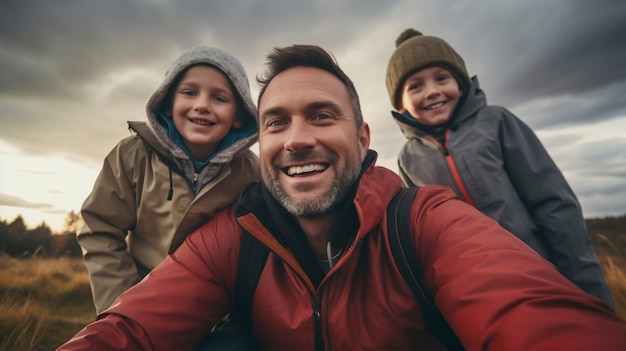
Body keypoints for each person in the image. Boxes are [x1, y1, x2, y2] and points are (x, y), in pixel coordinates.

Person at [58, 44, 626, 351]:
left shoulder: (424, 219)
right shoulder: (233, 237)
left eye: (322, 116)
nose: (298, 137)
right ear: (262, 143)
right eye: (277, 122)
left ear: (363, 137)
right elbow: (127, 331)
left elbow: (530, 314)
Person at [385, 28, 614, 307]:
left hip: (543, 276)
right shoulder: (408, 158)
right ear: (401, 103)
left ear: (460, 82)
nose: (432, 92)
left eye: (441, 78)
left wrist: (589, 290)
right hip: (476, 293)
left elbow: (554, 204)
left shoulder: (497, 123)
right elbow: (422, 234)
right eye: (416, 86)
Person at [77, 45, 261, 314]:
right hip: (139, 299)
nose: (202, 105)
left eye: (219, 98)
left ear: (238, 117)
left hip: (215, 310)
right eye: (189, 93)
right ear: (167, 101)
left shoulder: (252, 174)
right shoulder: (131, 156)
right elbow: (100, 228)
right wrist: (121, 305)